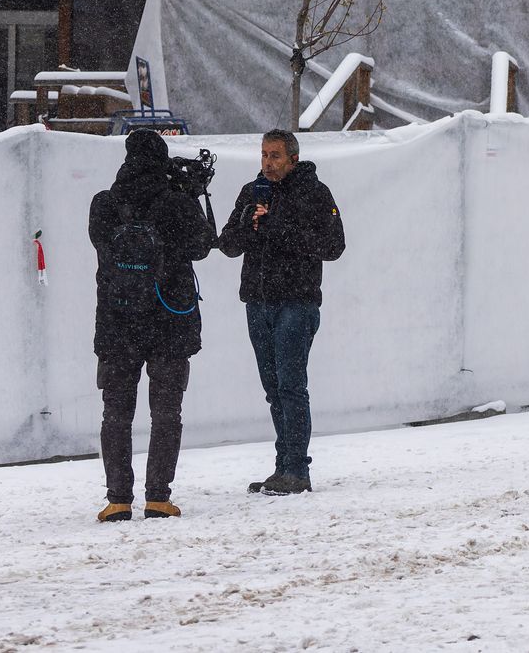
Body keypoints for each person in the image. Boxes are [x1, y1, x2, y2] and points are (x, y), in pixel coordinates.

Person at [89, 128, 216, 522]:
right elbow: (202, 246)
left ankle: (118, 500)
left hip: (118, 321)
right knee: (165, 413)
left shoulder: (105, 203)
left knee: (116, 414)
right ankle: (159, 497)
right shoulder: (177, 203)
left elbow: (100, 245)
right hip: (169, 322)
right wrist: (191, 196)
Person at [219, 129, 346, 496]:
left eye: (275, 156)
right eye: (263, 155)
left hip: (296, 301)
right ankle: (282, 466)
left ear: (293, 158)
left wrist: (278, 228)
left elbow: (333, 245)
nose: (267, 163)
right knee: (273, 388)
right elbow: (227, 244)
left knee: (291, 386)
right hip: (257, 302)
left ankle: (297, 469)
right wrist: (249, 224)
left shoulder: (314, 194)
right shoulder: (251, 193)